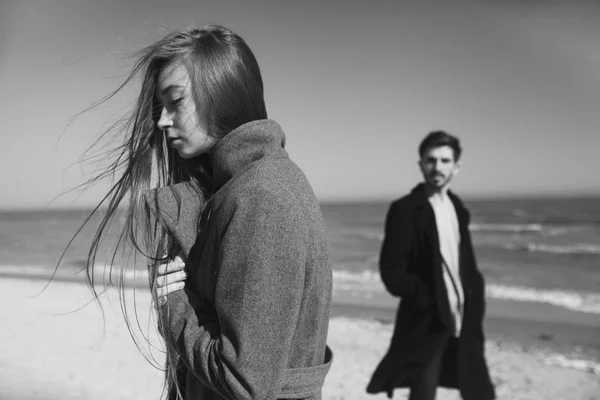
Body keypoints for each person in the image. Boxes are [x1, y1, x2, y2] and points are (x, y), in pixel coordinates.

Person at [70, 25, 333, 400]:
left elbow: (245, 380)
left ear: (221, 92)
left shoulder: (262, 194)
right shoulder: (245, 186)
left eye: (175, 101)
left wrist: (173, 302)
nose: (161, 121)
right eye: (160, 106)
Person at [366, 131, 495, 400]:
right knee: (423, 393)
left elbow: (465, 263)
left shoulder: (458, 208)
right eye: (431, 160)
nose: (438, 167)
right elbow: (391, 273)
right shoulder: (405, 210)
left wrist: (476, 293)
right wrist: (426, 295)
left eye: (445, 161)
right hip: (427, 323)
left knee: (478, 390)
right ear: (421, 164)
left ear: (456, 167)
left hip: (464, 319)